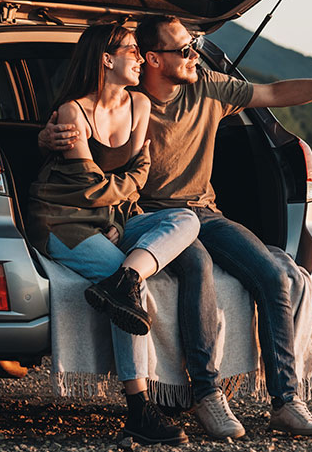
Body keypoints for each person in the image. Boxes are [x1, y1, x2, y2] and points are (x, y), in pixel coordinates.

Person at [41, 15, 312, 437]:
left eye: (193, 47)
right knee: (197, 266)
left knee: (273, 274)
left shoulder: (206, 86)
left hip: (203, 211)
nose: (195, 55)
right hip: (149, 217)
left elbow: (274, 92)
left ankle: (287, 401)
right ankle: (208, 395)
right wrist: (46, 137)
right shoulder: (128, 95)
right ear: (152, 59)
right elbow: (88, 137)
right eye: (184, 49)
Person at [26, 23, 219, 446]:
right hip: (64, 220)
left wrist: (118, 218)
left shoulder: (140, 104)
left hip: (112, 217)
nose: (139, 57)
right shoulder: (72, 112)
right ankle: (139, 409)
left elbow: (132, 181)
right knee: (133, 297)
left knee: (186, 220)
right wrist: (129, 188)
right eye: (131, 50)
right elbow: (89, 189)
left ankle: (126, 278)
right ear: (106, 59)